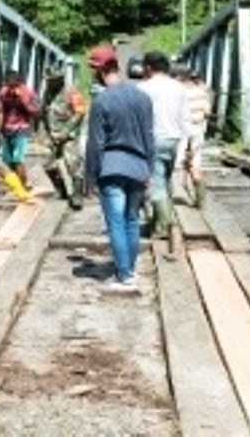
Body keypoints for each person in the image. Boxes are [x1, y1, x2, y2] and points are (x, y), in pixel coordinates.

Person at [85, 45, 155, 290]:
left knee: (115, 222)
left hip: (111, 168)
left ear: (102, 70)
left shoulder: (101, 100)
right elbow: (149, 137)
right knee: (132, 220)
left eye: (93, 69)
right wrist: (150, 170)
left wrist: (89, 178)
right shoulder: (142, 97)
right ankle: (130, 270)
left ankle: (124, 274)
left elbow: (96, 143)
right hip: (138, 167)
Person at [137, 51, 188, 236]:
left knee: (154, 182)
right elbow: (185, 118)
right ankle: (159, 221)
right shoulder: (180, 88)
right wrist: (185, 146)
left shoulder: (143, 88)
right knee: (165, 179)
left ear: (148, 68)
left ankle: (164, 226)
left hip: (153, 139)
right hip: (174, 139)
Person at [41, 66, 87, 210]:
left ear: (60, 79)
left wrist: (66, 132)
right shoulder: (47, 93)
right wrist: (45, 132)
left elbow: (80, 112)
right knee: (48, 164)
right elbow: (45, 113)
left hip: (69, 135)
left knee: (73, 164)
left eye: (53, 80)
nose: (50, 83)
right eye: (48, 81)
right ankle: (61, 191)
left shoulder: (71, 92)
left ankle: (77, 196)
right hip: (52, 135)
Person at [174, 67, 212, 208]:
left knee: (175, 164)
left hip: (182, 131)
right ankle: (200, 199)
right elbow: (207, 112)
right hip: (197, 131)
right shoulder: (202, 92)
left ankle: (168, 200)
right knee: (195, 165)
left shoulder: (179, 93)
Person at [0, 70, 40, 189]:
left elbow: (36, 113)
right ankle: (14, 185)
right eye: (8, 85)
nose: (11, 89)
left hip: (21, 128)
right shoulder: (3, 92)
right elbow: (0, 111)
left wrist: (23, 101)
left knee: (18, 159)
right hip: (7, 128)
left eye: (13, 86)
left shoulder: (28, 92)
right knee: (7, 160)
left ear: (18, 83)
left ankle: (22, 185)